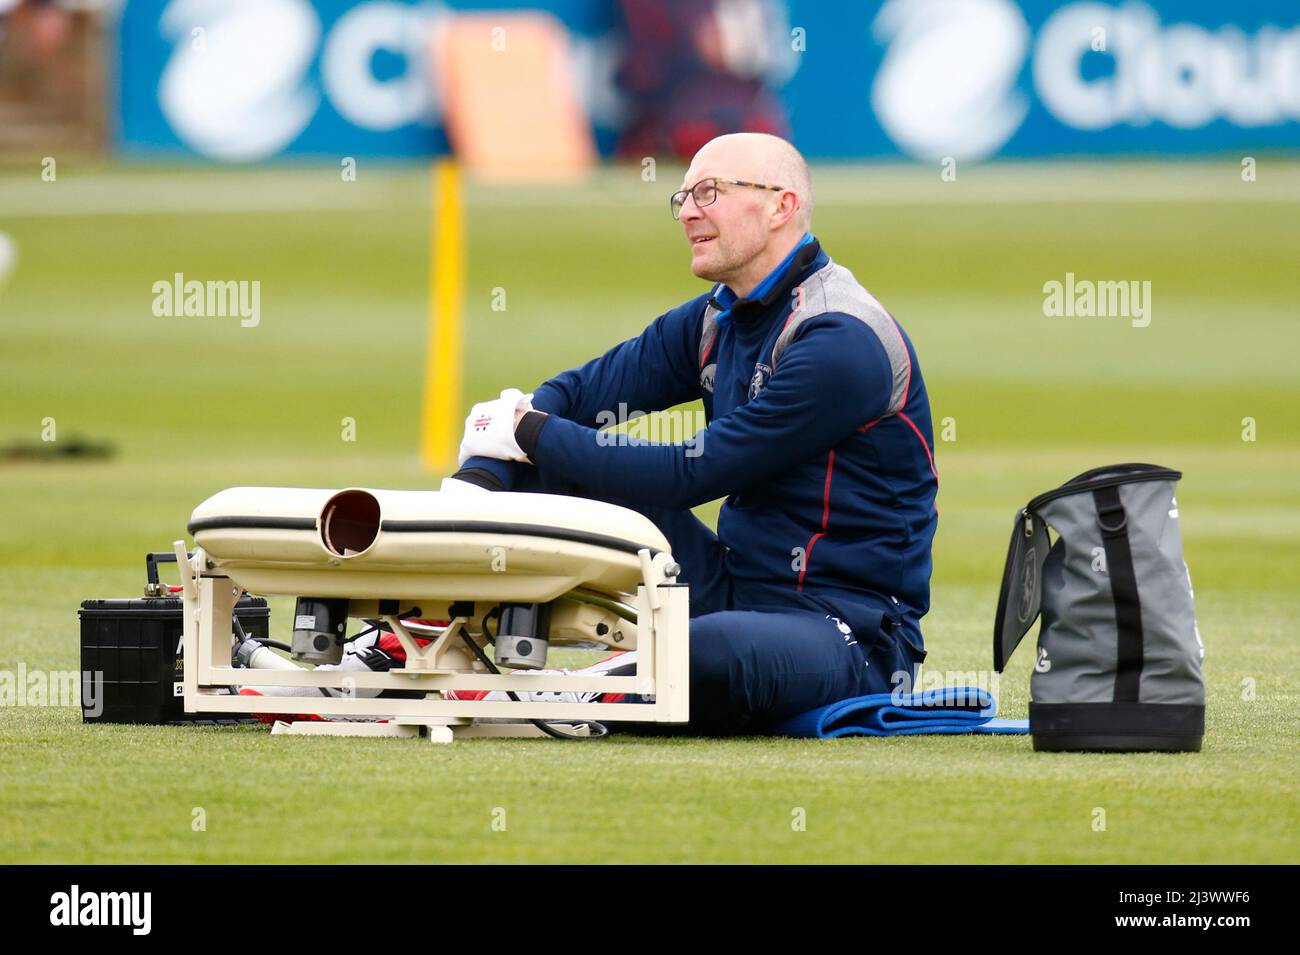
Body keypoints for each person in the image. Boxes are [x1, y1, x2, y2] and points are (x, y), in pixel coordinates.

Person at [458, 132, 940, 734]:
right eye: (684, 195)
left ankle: (575, 694)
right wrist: (482, 475)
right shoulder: (718, 314)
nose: (687, 210)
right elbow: (580, 396)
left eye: (709, 192)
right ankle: (416, 645)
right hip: (731, 583)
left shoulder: (842, 340)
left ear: (780, 206)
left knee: (705, 652)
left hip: (845, 631)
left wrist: (525, 430)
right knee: (545, 462)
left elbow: (694, 472)